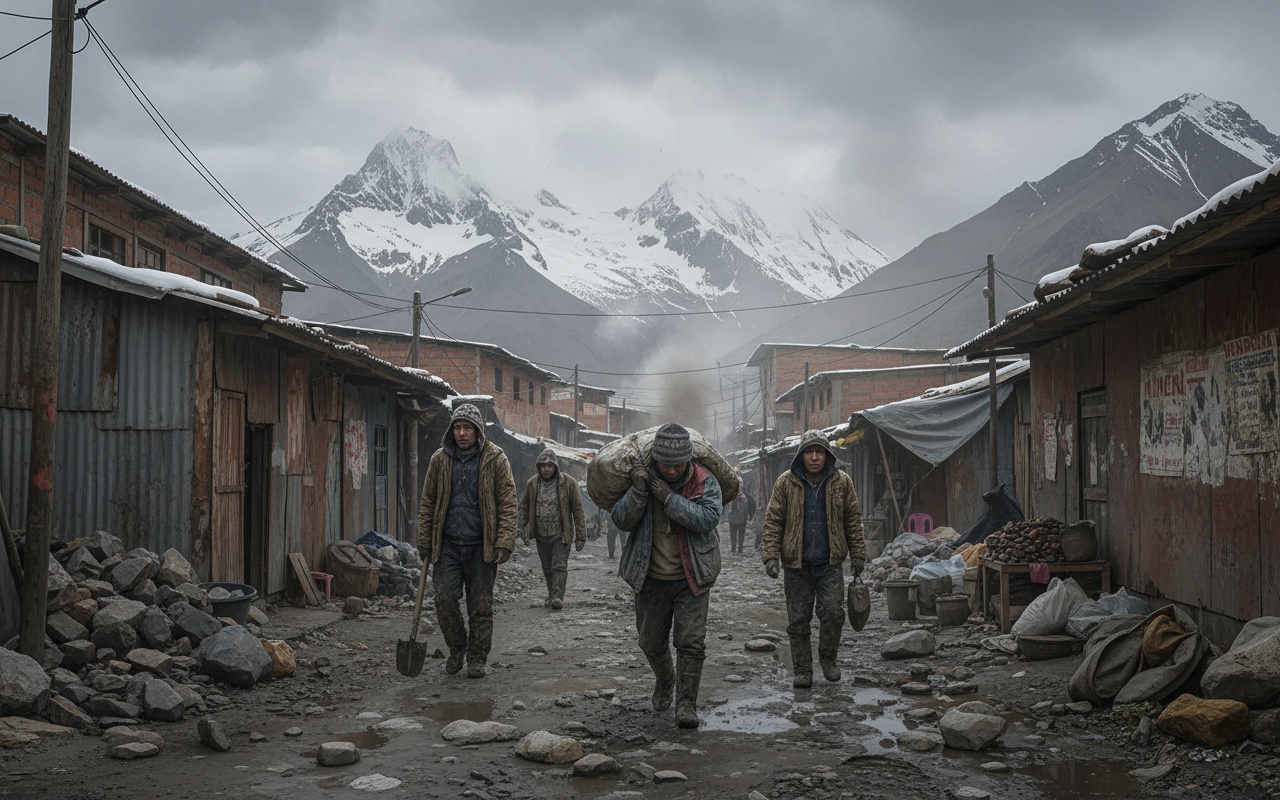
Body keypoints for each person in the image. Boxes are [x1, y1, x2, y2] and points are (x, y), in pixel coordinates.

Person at [612, 423, 723, 728]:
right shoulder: (641, 480)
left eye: (677, 466)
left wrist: (669, 499)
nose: (671, 472)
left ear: (689, 460)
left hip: (693, 578)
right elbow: (621, 520)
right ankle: (665, 679)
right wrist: (638, 491)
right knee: (650, 642)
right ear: (655, 461)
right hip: (650, 578)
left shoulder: (704, 481)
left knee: (691, 644)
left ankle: (686, 705)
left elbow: (708, 519)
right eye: (665, 465)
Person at [416, 403, 517, 679]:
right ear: (452, 431)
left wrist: (504, 542)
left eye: (467, 428)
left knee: (480, 605)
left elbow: (507, 502)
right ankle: (458, 646)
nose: (462, 433)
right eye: (457, 428)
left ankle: (477, 656)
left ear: (478, 432)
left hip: (480, 545)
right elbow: (428, 502)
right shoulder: (440, 460)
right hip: (447, 544)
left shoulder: (495, 459)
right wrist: (424, 540)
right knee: (444, 599)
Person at [761, 429, 866, 689]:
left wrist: (858, 554)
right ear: (802, 455)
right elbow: (774, 520)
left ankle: (828, 660)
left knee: (832, 613)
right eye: (810, 452)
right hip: (796, 565)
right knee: (798, 620)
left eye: (820, 452)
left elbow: (852, 520)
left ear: (827, 455)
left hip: (829, 564)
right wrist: (770, 556)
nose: (815, 457)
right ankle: (803, 670)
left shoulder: (842, 482)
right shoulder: (786, 482)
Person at [518, 448, 586, 610]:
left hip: (561, 534)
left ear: (555, 466)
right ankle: (551, 594)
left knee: (559, 565)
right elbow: (524, 508)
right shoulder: (532, 484)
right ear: (538, 467)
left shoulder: (569, 483)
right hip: (541, 533)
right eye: (543, 466)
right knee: (547, 567)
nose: (546, 469)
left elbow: (577, 509)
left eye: (549, 465)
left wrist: (581, 536)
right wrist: (519, 529)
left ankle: (557, 596)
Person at [725, 489, 756, 554]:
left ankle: (735, 549)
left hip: (736, 519)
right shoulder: (745, 496)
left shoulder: (731, 495)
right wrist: (750, 515)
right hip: (740, 519)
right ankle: (739, 549)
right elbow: (752, 504)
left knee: (735, 535)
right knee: (739, 535)